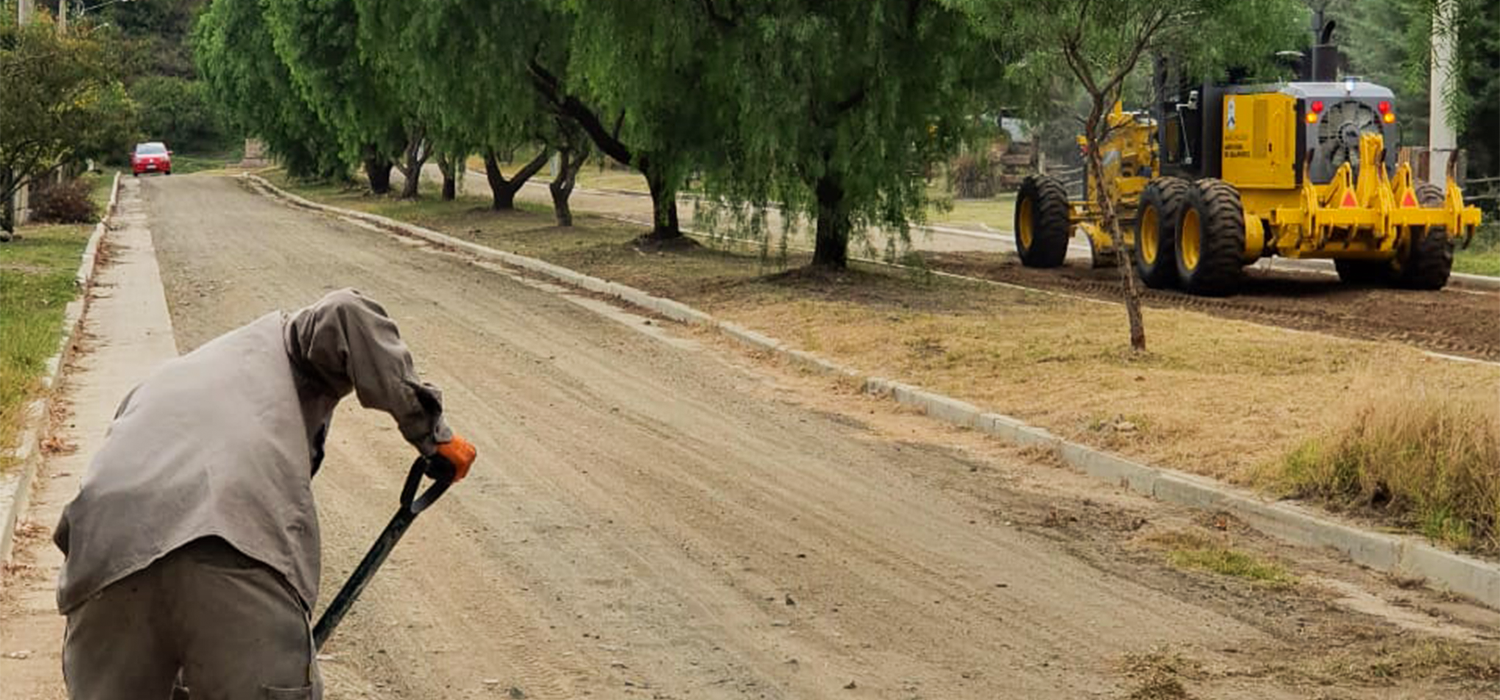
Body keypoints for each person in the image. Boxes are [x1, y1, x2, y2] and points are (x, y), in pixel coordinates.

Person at [52, 288, 477, 700]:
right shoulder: (288, 342)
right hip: (233, 545)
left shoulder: (160, 384)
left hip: (101, 560)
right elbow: (346, 311)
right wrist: (431, 433)